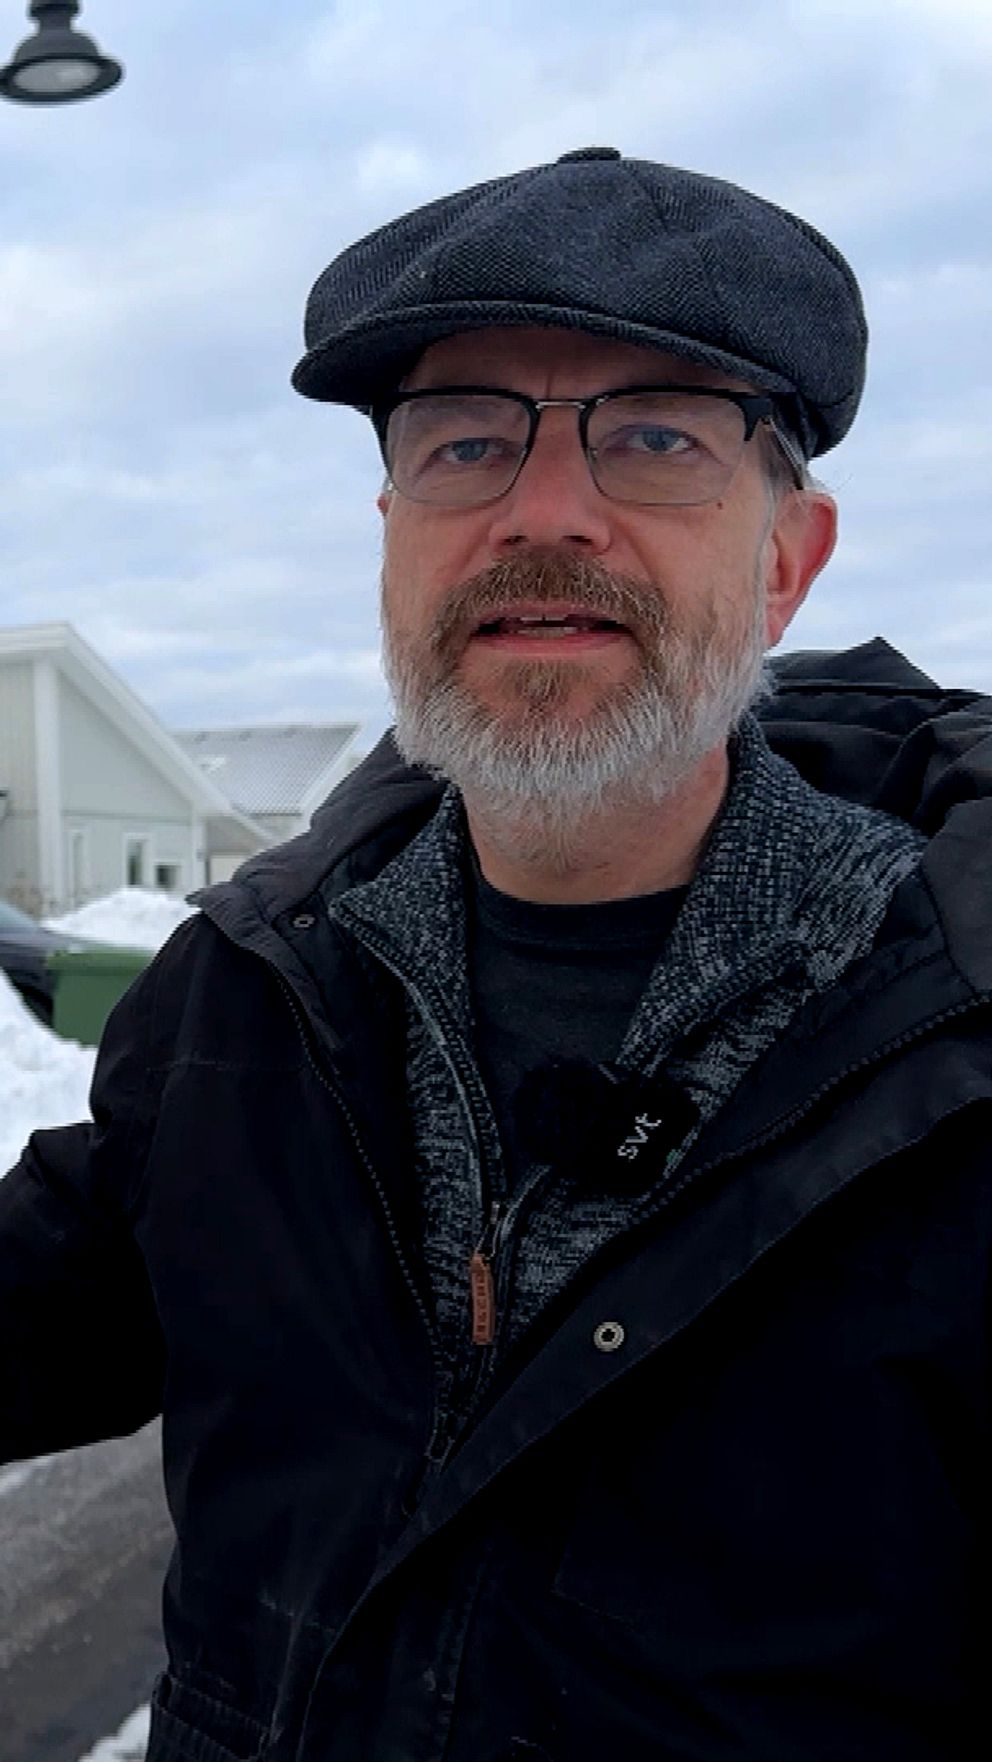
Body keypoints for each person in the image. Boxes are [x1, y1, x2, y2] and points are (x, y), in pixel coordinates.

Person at [2, 147, 991, 1762]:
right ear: (395, 534)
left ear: (787, 558)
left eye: (655, 436)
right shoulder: (252, 1000)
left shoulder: (951, 1046)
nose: (543, 510)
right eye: (466, 440)